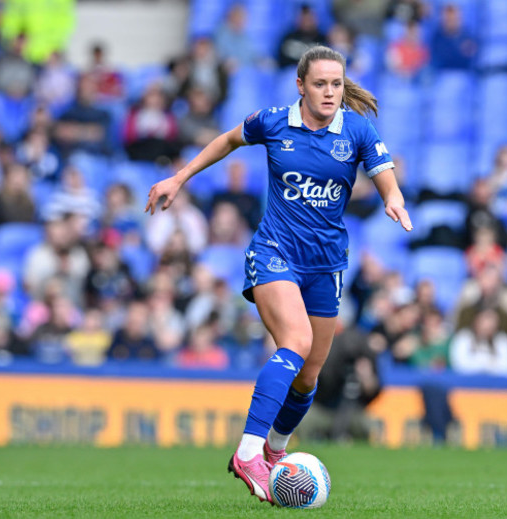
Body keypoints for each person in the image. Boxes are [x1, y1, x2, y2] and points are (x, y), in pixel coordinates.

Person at [145, 45, 411, 503]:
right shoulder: (273, 121)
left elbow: (383, 172)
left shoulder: (358, 130)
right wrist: (180, 176)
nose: (330, 92)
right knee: (296, 342)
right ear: (301, 86)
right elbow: (228, 140)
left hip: (326, 264)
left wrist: (394, 198)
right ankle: (248, 452)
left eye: (336, 84)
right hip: (274, 252)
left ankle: (274, 451)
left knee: (308, 374)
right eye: (321, 83)